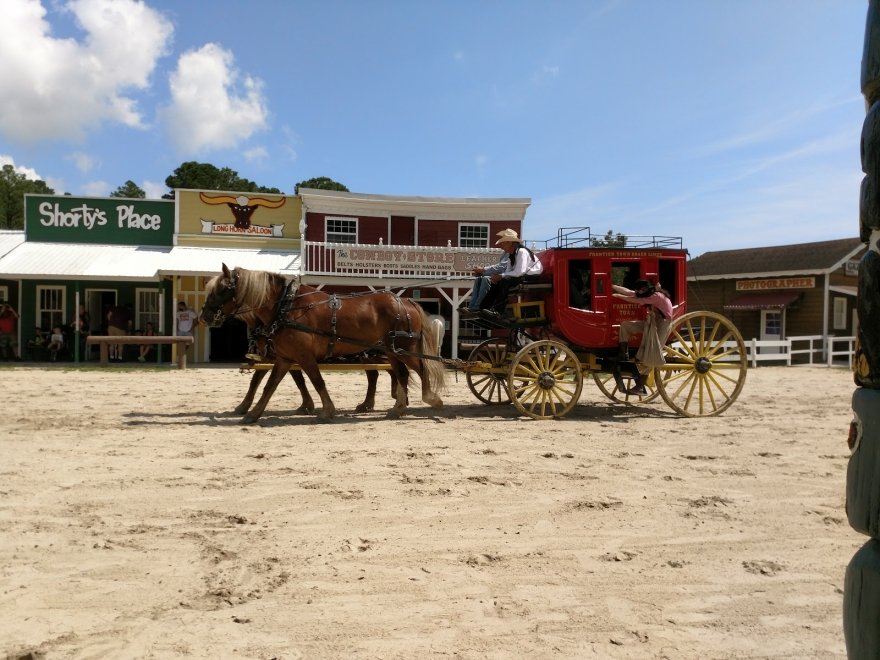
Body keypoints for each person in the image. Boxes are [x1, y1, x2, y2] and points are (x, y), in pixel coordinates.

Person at [612, 279, 674, 394]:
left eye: (638, 290)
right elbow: (629, 292)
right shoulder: (647, 293)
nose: (636, 292)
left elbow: (633, 300)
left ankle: (640, 385)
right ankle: (623, 355)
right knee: (626, 326)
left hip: (663, 324)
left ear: (644, 290)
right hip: (652, 320)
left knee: (652, 352)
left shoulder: (656, 296)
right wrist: (612, 286)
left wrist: (617, 296)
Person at [463, 228, 543, 316]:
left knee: (504, 282)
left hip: (531, 277)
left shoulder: (521, 252)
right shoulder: (511, 256)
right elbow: (508, 272)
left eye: (503, 243)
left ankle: (497, 311)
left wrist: (501, 276)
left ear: (510, 243)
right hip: (521, 276)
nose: (501, 246)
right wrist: (499, 277)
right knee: (498, 282)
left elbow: (520, 272)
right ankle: (483, 308)